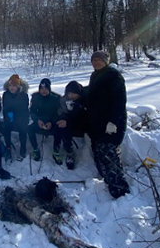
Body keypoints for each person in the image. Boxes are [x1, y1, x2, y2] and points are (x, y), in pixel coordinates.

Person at [86, 50, 130, 199]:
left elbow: (119, 101)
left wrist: (113, 122)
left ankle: (119, 187)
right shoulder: (95, 76)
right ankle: (106, 179)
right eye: (94, 60)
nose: (96, 62)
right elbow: (91, 95)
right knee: (98, 151)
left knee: (109, 153)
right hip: (97, 122)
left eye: (99, 59)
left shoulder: (114, 76)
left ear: (105, 61)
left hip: (111, 123)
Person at [28, 78, 62, 163]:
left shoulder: (55, 99)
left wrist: (51, 122)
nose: (43, 91)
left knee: (59, 130)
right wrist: (37, 120)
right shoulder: (35, 98)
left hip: (51, 122)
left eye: (46, 89)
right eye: (41, 89)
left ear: (49, 89)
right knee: (29, 128)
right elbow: (32, 111)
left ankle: (56, 151)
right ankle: (35, 149)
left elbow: (57, 113)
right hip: (40, 122)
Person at [56, 80, 87, 170]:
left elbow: (83, 116)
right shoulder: (64, 100)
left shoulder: (83, 100)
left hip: (82, 124)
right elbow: (61, 111)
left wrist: (68, 120)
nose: (71, 96)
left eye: (74, 94)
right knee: (63, 129)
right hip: (69, 122)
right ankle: (69, 152)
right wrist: (62, 118)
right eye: (69, 93)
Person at [2, 74, 29, 160]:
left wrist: (17, 117)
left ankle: (23, 149)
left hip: (21, 117)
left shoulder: (24, 95)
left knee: (22, 127)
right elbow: (5, 108)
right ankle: (8, 147)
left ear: (18, 86)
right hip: (10, 117)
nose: (12, 88)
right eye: (10, 85)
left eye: (14, 85)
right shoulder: (6, 94)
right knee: (5, 126)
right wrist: (8, 116)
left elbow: (24, 109)